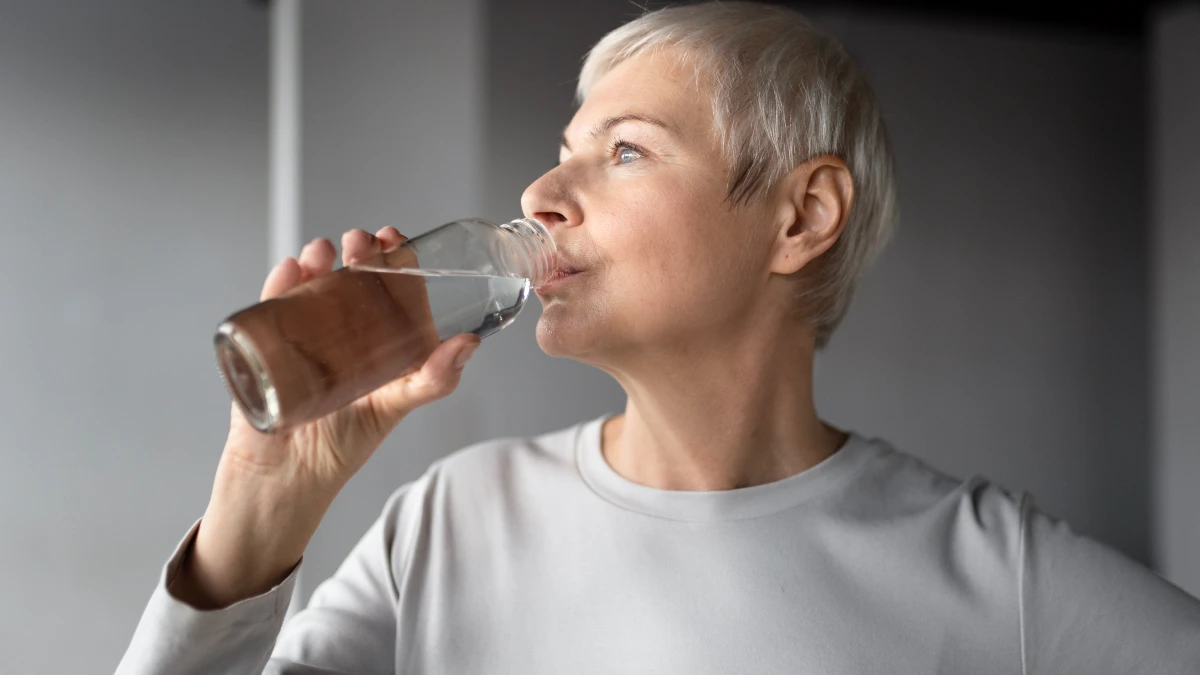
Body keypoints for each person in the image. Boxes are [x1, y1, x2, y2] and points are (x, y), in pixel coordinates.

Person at [117, 2, 1200, 673]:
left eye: (625, 151)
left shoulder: (991, 572)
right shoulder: (449, 524)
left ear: (799, 218)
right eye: (563, 150)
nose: (542, 192)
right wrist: (267, 497)